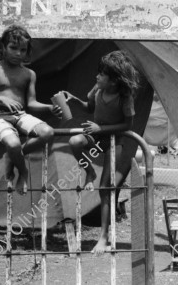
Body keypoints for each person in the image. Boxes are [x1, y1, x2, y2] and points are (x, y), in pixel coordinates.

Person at [63, 50, 140, 254]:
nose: (97, 76)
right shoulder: (97, 89)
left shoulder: (125, 97)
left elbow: (127, 125)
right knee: (75, 141)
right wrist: (74, 100)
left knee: (105, 189)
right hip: (96, 136)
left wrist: (102, 129)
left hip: (115, 141)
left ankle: (104, 236)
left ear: (114, 80)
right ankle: (89, 172)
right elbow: (89, 107)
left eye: (102, 74)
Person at [0, 25, 61, 195]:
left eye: (22, 50)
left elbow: (32, 103)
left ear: (27, 52)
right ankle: (23, 171)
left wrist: (50, 108)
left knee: (48, 132)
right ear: (2, 48)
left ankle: (12, 156)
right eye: (13, 48)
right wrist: (0, 98)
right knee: (13, 143)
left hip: (21, 115)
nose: (18, 53)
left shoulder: (29, 74)